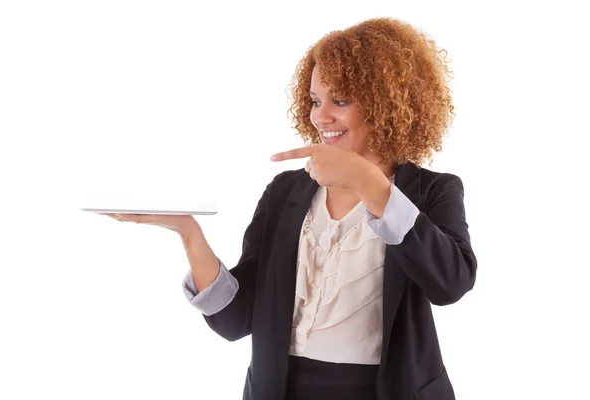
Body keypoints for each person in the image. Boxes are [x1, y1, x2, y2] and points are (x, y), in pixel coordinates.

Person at [103, 17, 476, 400]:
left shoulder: (432, 191)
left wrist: (368, 181)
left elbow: (450, 284)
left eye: (340, 100)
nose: (320, 116)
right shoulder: (287, 192)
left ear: (385, 103)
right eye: (315, 100)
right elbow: (236, 318)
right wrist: (188, 231)